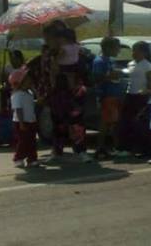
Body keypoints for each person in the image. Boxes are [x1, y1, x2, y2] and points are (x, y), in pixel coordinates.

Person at [39, 22, 92, 164]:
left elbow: (83, 71)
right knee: (57, 123)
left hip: (74, 92)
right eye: (46, 38)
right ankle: (57, 151)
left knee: (76, 123)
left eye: (50, 38)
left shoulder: (77, 51)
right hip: (55, 93)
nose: (48, 41)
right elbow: (44, 74)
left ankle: (81, 151)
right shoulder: (47, 53)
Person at [115, 41, 151, 158]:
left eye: (136, 51)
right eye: (133, 51)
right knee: (125, 122)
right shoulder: (131, 64)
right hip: (130, 95)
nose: (133, 53)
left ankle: (142, 148)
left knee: (138, 123)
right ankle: (125, 147)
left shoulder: (147, 66)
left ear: (143, 52)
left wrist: (146, 92)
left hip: (141, 97)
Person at [93, 37, 123, 161]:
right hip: (106, 95)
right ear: (108, 48)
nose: (119, 50)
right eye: (117, 47)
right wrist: (109, 76)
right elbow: (96, 78)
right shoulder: (99, 61)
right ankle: (101, 149)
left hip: (114, 95)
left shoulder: (110, 60)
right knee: (106, 123)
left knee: (112, 123)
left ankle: (111, 147)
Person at [9, 66, 39, 169]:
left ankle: (32, 159)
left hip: (31, 120)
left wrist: (34, 90)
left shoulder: (29, 93)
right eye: (27, 80)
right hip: (21, 121)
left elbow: (35, 102)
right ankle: (18, 158)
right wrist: (21, 123)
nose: (30, 81)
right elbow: (18, 109)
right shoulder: (17, 95)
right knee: (23, 141)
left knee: (32, 141)